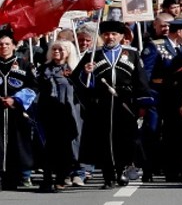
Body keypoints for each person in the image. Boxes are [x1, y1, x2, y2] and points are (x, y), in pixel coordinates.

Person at [72, 21, 152, 189]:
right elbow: (77, 79)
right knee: (103, 141)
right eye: (107, 34)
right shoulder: (92, 55)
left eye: (114, 34)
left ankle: (121, 170)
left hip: (124, 103)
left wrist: (142, 103)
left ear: (121, 36)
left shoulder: (132, 54)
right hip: (101, 104)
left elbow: (141, 80)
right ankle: (108, 176)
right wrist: (86, 73)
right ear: (102, 36)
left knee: (124, 140)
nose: (110, 37)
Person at [36, 40, 83, 193]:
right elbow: (37, 86)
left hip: (67, 112)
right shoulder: (44, 68)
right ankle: (47, 178)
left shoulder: (74, 69)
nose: (57, 52)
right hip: (48, 111)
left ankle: (62, 177)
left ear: (68, 52)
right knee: (47, 146)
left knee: (65, 145)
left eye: (61, 49)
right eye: (54, 49)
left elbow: (82, 88)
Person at [0, 30, 37, 190]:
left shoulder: (25, 64)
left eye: (7, 44)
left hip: (17, 111)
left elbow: (34, 87)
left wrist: (15, 99)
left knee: (19, 144)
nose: (3, 47)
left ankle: (20, 176)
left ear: (14, 46)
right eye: (0, 44)